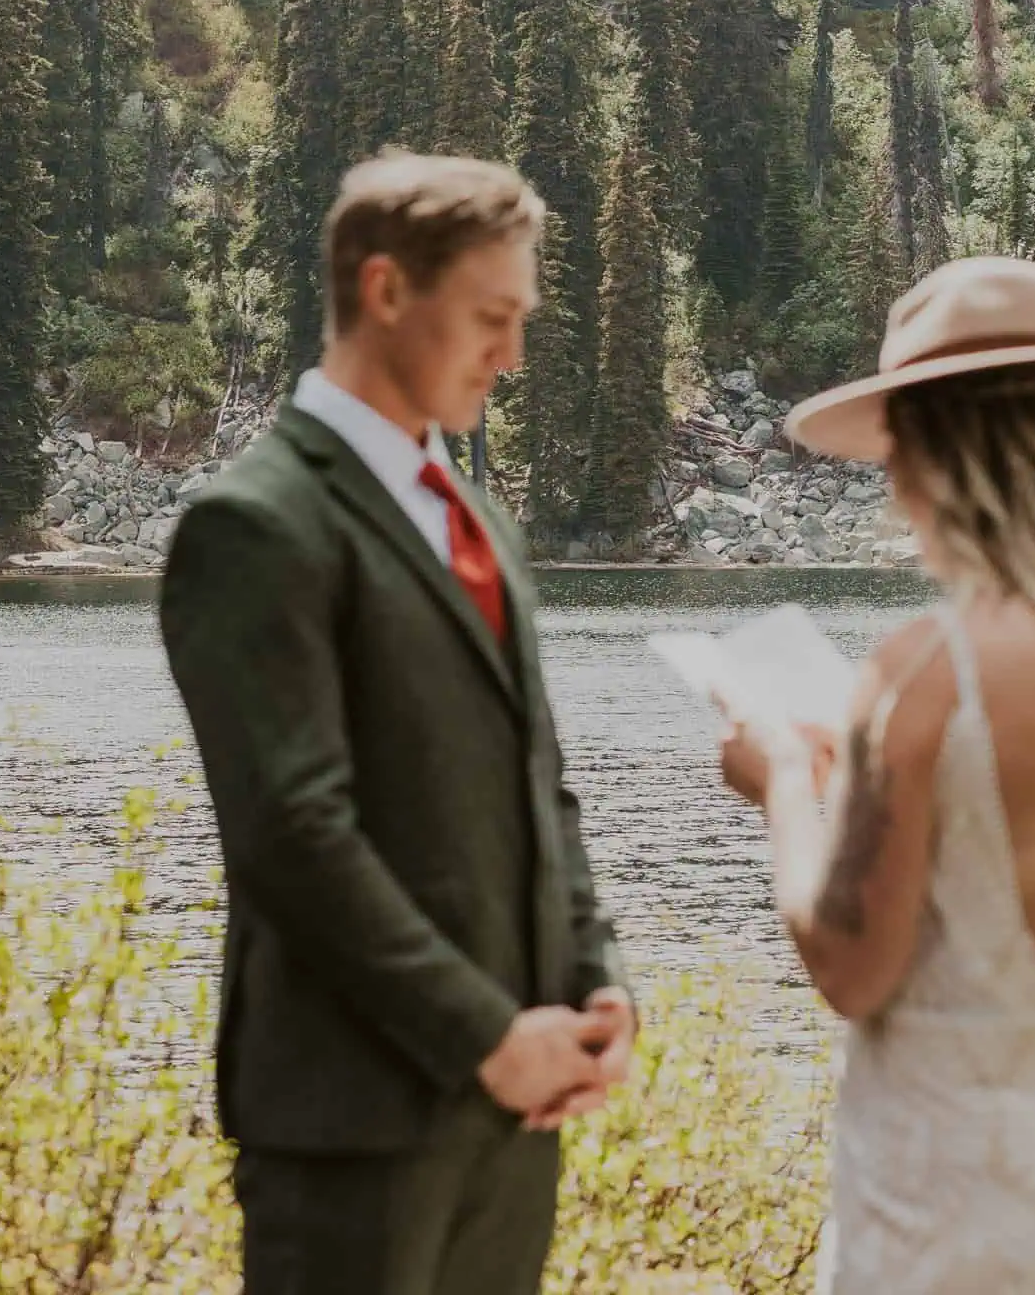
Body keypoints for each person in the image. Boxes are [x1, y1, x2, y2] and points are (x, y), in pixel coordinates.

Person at [160, 152, 634, 1295]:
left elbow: (541, 784)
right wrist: (485, 1035)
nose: (511, 355)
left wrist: (592, 978)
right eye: (490, 316)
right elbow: (293, 834)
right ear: (384, 289)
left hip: (511, 1127)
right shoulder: (255, 522)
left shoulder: (478, 521)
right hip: (351, 1131)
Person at [720, 257, 1035, 1294]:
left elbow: (849, 968)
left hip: (952, 1200)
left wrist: (786, 782)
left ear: (930, 458)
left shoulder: (926, 671)